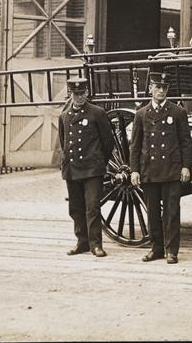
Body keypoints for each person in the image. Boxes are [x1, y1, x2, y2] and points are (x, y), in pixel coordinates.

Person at [129, 72, 192, 264]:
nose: (161, 91)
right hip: (149, 170)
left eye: (164, 87)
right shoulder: (141, 114)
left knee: (172, 213)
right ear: (150, 88)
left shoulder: (178, 112)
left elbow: (186, 142)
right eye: (157, 87)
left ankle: (172, 251)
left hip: (171, 170)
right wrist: (134, 170)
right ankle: (156, 248)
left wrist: (186, 167)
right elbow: (135, 146)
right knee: (153, 213)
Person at [59, 77, 115, 258]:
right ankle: (82, 242)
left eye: (82, 93)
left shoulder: (97, 113)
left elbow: (108, 142)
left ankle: (96, 245)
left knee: (92, 207)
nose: (79, 97)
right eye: (76, 94)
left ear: (87, 93)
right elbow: (63, 142)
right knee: (76, 207)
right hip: (72, 168)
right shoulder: (64, 116)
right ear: (71, 94)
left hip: (92, 169)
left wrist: (99, 162)